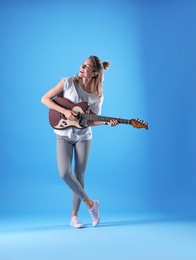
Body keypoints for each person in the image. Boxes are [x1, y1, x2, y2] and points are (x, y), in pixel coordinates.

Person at [41, 55, 118, 228]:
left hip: (83, 137)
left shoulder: (97, 96)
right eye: (83, 64)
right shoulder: (67, 82)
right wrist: (64, 111)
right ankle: (91, 204)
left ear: (94, 73)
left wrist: (106, 122)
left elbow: (91, 120)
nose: (82, 67)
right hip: (63, 133)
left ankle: (74, 216)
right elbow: (45, 99)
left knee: (79, 176)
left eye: (87, 66)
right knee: (64, 173)